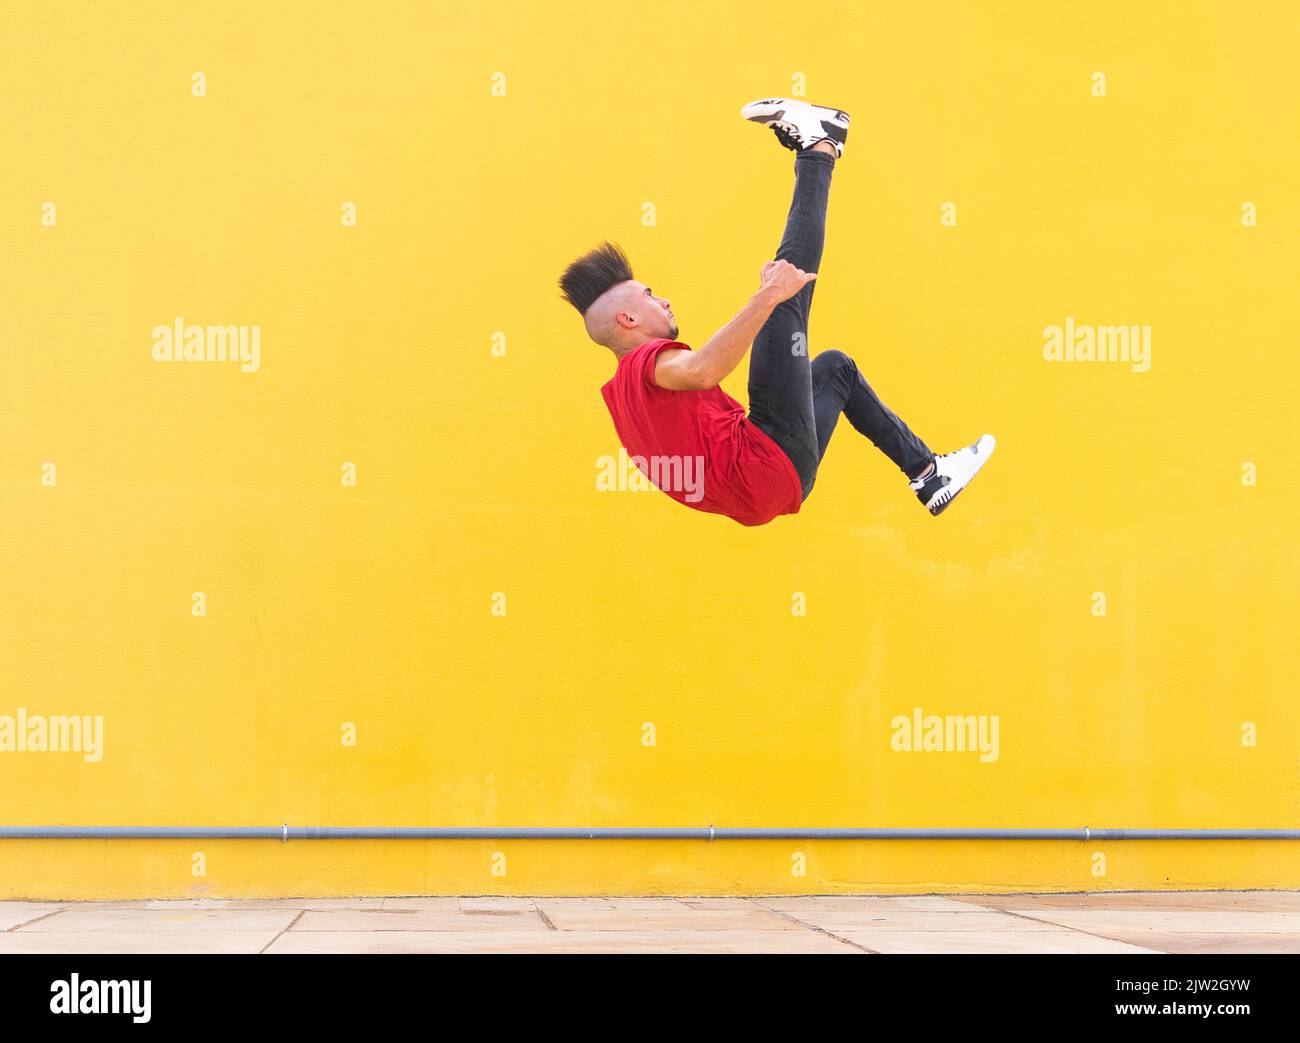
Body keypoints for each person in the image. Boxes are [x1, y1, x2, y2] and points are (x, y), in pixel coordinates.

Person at [559, 98, 995, 527]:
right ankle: (820, 147)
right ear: (627, 320)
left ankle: (929, 475)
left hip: (780, 482)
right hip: (767, 460)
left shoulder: (623, 397)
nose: (665, 301)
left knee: (835, 369)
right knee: (784, 298)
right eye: (651, 297)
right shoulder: (645, 365)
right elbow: (702, 371)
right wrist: (766, 296)